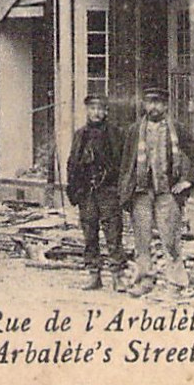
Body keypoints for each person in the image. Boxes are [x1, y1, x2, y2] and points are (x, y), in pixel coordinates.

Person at [118, 88, 194, 296]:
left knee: (171, 239)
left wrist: (187, 181)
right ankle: (145, 280)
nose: (153, 106)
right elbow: (125, 162)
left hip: (167, 193)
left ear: (165, 105)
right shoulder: (135, 130)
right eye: (149, 102)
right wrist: (125, 189)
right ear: (144, 105)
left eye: (158, 102)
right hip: (141, 194)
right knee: (142, 240)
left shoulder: (177, 129)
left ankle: (176, 283)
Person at [66, 91, 125, 291]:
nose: (96, 112)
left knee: (113, 233)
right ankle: (94, 275)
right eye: (92, 108)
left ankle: (117, 276)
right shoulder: (80, 134)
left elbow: (122, 163)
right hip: (87, 192)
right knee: (90, 234)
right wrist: (73, 190)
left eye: (100, 108)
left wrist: (117, 187)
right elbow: (72, 163)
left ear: (106, 111)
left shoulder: (115, 133)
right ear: (87, 110)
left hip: (108, 190)